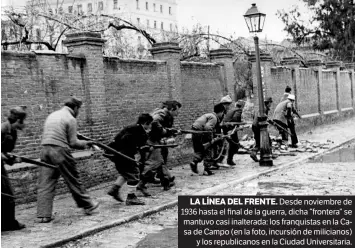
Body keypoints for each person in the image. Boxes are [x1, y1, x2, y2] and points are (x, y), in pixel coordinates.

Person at [37, 97, 99, 223]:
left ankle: (44, 215)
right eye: (79, 109)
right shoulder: (70, 118)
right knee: (73, 179)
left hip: (45, 150)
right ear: (75, 108)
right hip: (60, 151)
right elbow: (73, 143)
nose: (78, 112)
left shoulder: (53, 115)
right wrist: (87, 143)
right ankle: (88, 205)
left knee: (46, 182)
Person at [107, 113, 153, 205]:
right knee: (134, 173)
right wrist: (146, 148)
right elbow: (133, 143)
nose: (150, 126)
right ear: (145, 123)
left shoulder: (131, 128)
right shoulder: (139, 131)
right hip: (123, 155)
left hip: (115, 152)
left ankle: (114, 190)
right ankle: (131, 197)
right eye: (150, 124)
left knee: (125, 173)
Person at [140, 101, 181, 191]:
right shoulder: (161, 114)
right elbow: (154, 123)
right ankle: (142, 183)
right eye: (177, 110)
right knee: (156, 161)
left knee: (161, 159)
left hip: (154, 140)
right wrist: (167, 131)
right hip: (149, 140)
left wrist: (171, 132)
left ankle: (165, 181)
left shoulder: (166, 115)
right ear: (171, 109)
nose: (178, 112)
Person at [1, 106, 27, 231]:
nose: (24, 124)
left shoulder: (13, 132)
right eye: (23, 121)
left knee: (6, 196)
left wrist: (11, 158)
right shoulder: (2, 129)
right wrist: (6, 157)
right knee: (7, 194)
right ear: (18, 120)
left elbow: (4, 152)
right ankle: (8, 224)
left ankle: (6, 223)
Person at [189, 103, 226, 175]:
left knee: (200, 149)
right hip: (201, 132)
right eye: (222, 113)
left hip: (195, 131)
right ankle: (207, 169)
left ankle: (194, 162)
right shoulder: (214, 118)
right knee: (208, 149)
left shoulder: (209, 115)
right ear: (221, 112)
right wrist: (211, 140)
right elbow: (208, 128)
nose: (222, 115)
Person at [250, 97, 273, 162]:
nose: (270, 104)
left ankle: (253, 153)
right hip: (260, 127)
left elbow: (255, 116)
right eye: (270, 103)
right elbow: (264, 118)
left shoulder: (260, 109)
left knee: (258, 142)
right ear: (268, 103)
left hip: (254, 126)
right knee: (268, 140)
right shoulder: (264, 109)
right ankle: (269, 154)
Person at [222, 100, 245, 165]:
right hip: (230, 129)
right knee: (235, 144)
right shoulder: (239, 110)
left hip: (226, 128)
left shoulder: (232, 109)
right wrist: (238, 124)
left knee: (233, 143)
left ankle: (229, 159)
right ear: (242, 106)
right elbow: (235, 119)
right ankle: (229, 160)